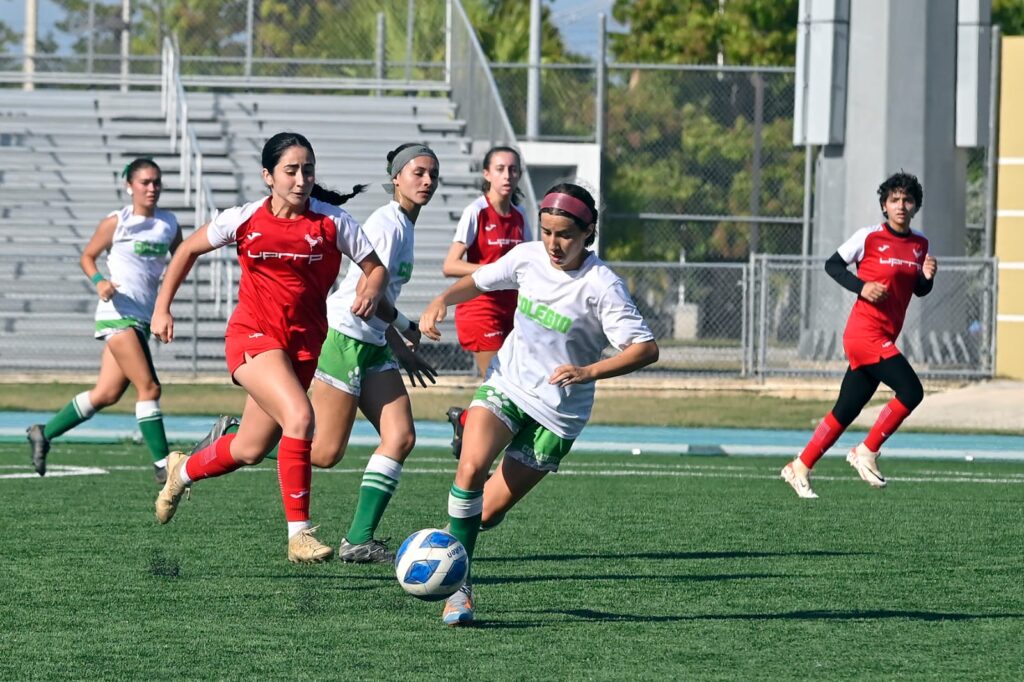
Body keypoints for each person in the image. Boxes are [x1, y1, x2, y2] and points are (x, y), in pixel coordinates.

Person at [419, 182, 660, 626]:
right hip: (507, 384)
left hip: (559, 412)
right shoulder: (528, 257)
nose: (553, 243)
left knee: (486, 513)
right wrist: (440, 301)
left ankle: (451, 538)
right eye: (547, 231)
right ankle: (460, 589)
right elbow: (476, 280)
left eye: (564, 234)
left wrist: (588, 371)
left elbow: (645, 349)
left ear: (588, 232)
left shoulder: (602, 285)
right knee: (470, 470)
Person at [150, 132, 388, 563]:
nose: (301, 179)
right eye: (291, 170)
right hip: (251, 337)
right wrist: (162, 308)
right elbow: (187, 249)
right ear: (268, 176)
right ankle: (299, 534)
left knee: (249, 448)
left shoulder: (332, 222)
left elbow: (376, 269)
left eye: (308, 170)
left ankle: (180, 470)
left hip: (302, 347)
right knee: (300, 417)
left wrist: (371, 289)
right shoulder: (244, 219)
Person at [309, 142, 440, 563]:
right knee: (325, 454)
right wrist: (406, 329)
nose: (426, 181)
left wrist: (400, 347)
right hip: (346, 337)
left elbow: (378, 296)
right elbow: (369, 292)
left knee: (400, 436)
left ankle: (358, 540)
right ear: (396, 178)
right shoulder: (388, 222)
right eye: (417, 172)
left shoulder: (404, 224)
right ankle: (244, 435)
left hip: (374, 342)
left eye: (432, 175)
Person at [781, 171, 937, 499]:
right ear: (884, 205)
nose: (901, 205)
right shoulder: (869, 237)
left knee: (846, 410)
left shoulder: (920, 244)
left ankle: (801, 466)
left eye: (907, 200)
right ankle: (866, 451)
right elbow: (832, 265)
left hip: (884, 337)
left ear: (915, 206)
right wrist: (862, 287)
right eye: (894, 199)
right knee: (911, 391)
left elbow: (918, 290)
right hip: (864, 334)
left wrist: (928, 277)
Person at [26, 158, 182, 483]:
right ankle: (162, 465)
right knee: (149, 386)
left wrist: (167, 293)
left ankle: (43, 432)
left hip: (140, 318)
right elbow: (87, 255)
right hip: (116, 315)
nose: (152, 188)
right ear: (130, 186)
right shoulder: (117, 222)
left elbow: (182, 258)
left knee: (106, 394)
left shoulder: (169, 224)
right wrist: (99, 280)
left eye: (156, 182)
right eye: (144, 182)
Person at [442, 146, 531, 459]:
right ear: (486, 174)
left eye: (513, 169)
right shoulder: (477, 211)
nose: (507, 175)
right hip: (480, 309)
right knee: (499, 381)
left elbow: (531, 265)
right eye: (500, 168)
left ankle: (465, 420)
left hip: (513, 311)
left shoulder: (520, 218)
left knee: (515, 382)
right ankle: (478, 446)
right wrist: (493, 272)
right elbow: (450, 265)